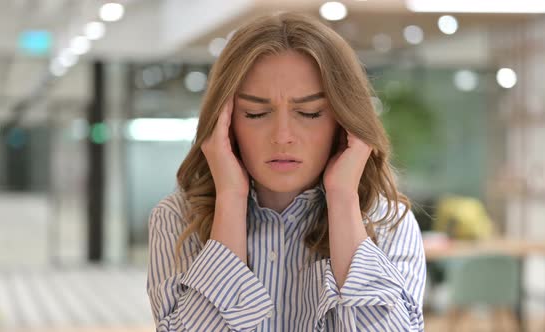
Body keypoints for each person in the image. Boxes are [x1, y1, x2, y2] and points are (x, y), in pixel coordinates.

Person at [147, 12, 426, 332]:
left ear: (345, 121)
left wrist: (343, 199)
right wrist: (230, 199)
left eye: (309, 113)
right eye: (256, 113)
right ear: (224, 122)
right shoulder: (177, 219)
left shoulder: (389, 222)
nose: (282, 136)